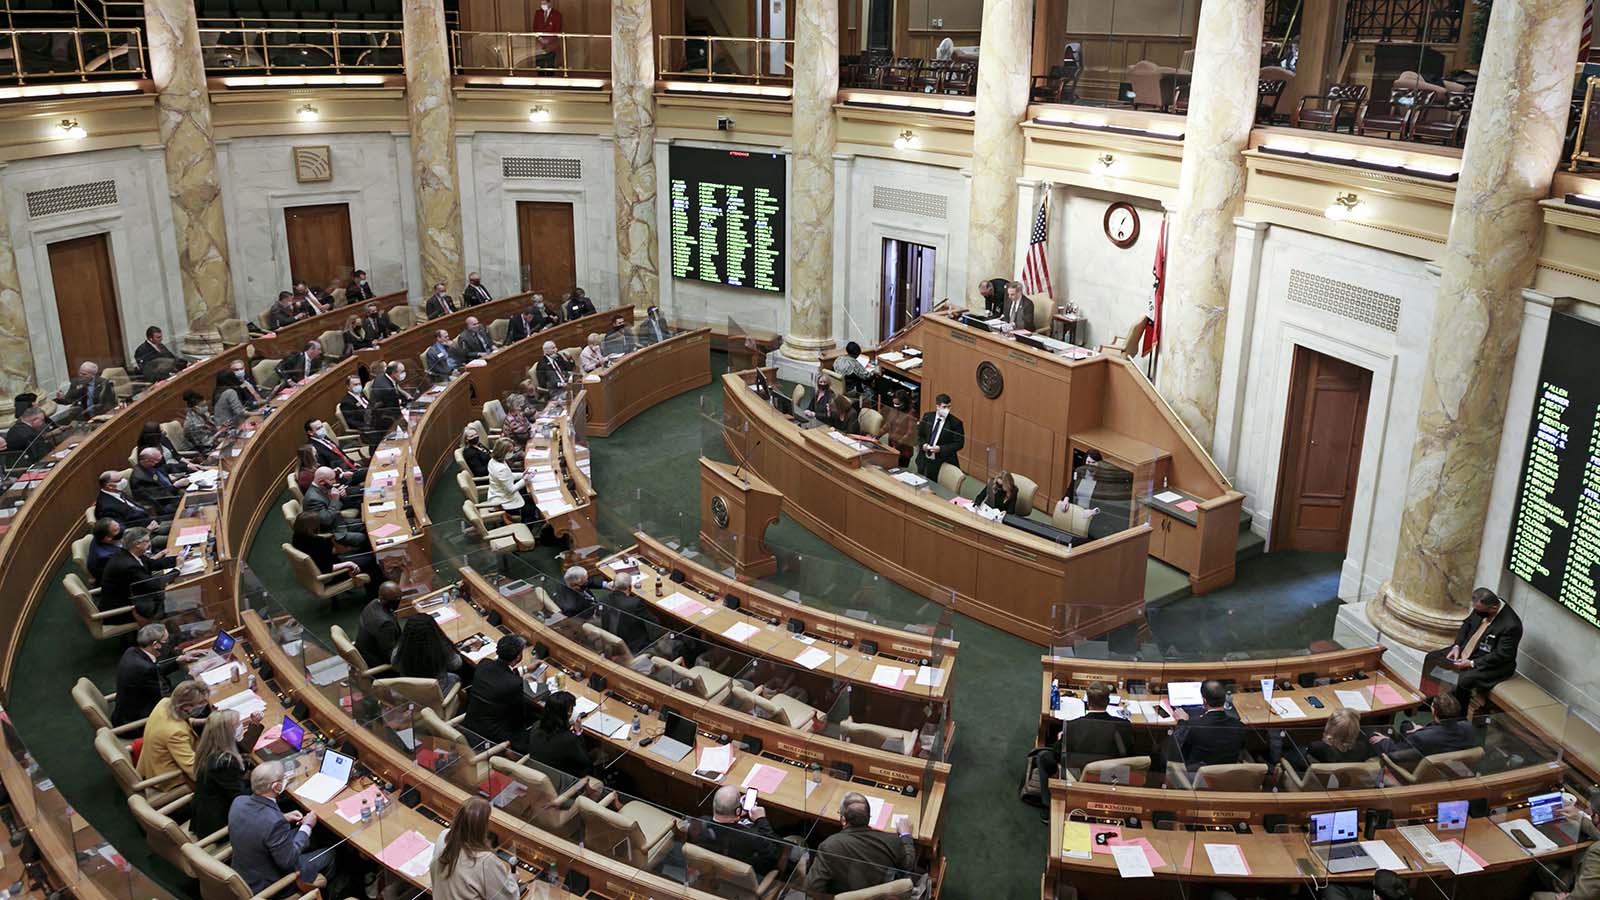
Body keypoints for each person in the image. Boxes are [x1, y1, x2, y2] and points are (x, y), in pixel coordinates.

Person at [228, 761, 333, 894]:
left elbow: (256, 820)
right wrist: (307, 826)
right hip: (270, 883)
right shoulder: (274, 823)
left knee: (314, 836)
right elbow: (289, 861)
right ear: (276, 787)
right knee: (331, 853)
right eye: (283, 778)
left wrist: (283, 817)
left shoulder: (239, 801)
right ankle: (322, 893)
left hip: (245, 870)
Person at [806, 792, 916, 894]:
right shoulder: (892, 841)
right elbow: (908, 864)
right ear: (869, 818)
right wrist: (906, 835)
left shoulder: (829, 846)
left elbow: (813, 887)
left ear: (843, 820)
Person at [1438, 588, 1523, 709]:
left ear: (1493, 608)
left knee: (1462, 680)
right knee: (1433, 659)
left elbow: (1502, 655)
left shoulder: (1511, 625)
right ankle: (1432, 700)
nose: (1476, 612)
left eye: (1478, 611)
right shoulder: (1481, 607)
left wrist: (1471, 663)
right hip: (1469, 651)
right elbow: (1467, 624)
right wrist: (1457, 646)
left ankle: (1457, 713)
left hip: (1493, 665)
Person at [1041, 682, 1137, 781]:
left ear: (1088, 702)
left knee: (1044, 756)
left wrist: (1060, 739)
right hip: (1112, 778)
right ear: (1108, 701)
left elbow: (1057, 754)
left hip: (1082, 777)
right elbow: (1130, 754)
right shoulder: (1124, 725)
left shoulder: (1072, 726)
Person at [429, 797, 520, 900]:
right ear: (482, 828)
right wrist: (512, 880)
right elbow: (508, 898)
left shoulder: (443, 836)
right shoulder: (485, 861)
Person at [460, 635, 539, 753]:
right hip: (491, 735)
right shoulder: (514, 683)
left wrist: (526, 669)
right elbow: (519, 715)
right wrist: (540, 682)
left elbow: (501, 674)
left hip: (471, 724)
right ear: (518, 657)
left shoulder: (484, 664)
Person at [113, 623, 201, 726]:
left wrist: (178, 661)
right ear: (155, 645)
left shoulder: (132, 652)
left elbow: (154, 670)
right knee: (200, 708)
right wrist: (192, 678)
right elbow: (165, 700)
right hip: (140, 721)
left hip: (129, 711)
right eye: (166, 640)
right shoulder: (145, 669)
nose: (169, 642)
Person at [688, 784, 785, 877]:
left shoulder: (700, 823)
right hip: (744, 879)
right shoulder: (749, 836)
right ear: (738, 810)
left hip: (712, 873)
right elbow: (777, 853)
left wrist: (736, 815)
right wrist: (761, 820)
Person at [191, 709, 256, 839]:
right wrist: (265, 784)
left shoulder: (209, 749)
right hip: (221, 826)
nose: (241, 726)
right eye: (237, 724)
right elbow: (241, 798)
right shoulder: (224, 763)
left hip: (207, 812)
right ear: (227, 733)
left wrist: (255, 725)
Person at [291, 511, 381, 599]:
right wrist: (348, 564)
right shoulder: (319, 542)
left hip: (316, 570)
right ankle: (373, 596)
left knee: (366, 555)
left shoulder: (296, 537)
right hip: (332, 575)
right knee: (373, 561)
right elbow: (327, 568)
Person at [136, 680, 209, 781]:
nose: (205, 704)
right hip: (170, 778)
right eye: (201, 703)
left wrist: (202, 721)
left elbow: (181, 719)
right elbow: (195, 772)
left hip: (152, 764)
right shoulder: (176, 734)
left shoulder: (165, 703)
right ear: (186, 707)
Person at [1368, 692, 1478, 757]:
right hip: (1441, 749)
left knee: (1372, 732)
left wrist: (1386, 740)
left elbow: (1396, 754)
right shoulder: (1468, 727)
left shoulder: (1421, 737)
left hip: (1416, 760)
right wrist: (1424, 730)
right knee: (1407, 725)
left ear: (1433, 710)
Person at [101, 526, 177, 619]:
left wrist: (178, 559)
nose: (150, 543)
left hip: (138, 595)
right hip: (128, 609)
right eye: (147, 541)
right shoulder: (129, 565)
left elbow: (152, 564)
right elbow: (154, 585)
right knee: (180, 600)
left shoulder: (130, 553)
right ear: (137, 544)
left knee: (176, 593)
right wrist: (177, 570)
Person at [1171, 680, 1248, 768]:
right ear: (1225, 699)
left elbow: (1175, 748)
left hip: (1197, 774)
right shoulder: (1240, 726)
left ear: (1204, 700)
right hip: (1227, 773)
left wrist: (1182, 722)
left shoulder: (1193, 727)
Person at [524, 689, 592, 778]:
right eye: (571, 709)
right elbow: (585, 763)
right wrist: (579, 734)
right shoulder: (569, 739)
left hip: (538, 770)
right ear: (568, 713)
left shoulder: (536, 725)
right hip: (561, 778)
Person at [390, 614, 462, 693]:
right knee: (456, 677)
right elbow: (456, 665)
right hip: (438, 691)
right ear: (434, 630)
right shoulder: (442, 648)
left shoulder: (400, 649)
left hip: (410, 691)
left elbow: (395, 666)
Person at [303, 468, 368, 548]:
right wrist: (335, 500)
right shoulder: (313, 499)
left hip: (338, 522)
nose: (335, 482)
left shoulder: (321, 487)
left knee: (366, 524)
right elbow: (327, 520)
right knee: (362, 537)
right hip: (332, 531)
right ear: (321, 482)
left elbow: (331, 506)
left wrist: (340, 496)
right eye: (332, 480)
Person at [95, 470, 167, 536]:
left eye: (122, 478)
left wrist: (153, 520)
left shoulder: (117, 492)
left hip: (151, 522)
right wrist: (147, 530)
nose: (123, 481)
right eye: (119, 480)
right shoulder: (106, 507)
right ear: (109, 486)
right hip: (142, 535)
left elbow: (135, 508)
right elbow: (120, 531)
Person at [915, 393, 964, 480]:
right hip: (924, 458)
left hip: (942, 460)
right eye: (944, 407)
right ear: (937, 406)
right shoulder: (928, 416)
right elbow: (920, 435)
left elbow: (959, 443)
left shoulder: (955, 423)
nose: (947, 410)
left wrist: (941, 448)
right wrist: (923, 445)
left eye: (949, 407)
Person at [485, 438, 534, 524]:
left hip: (498, 493)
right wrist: (525, 480)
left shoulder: (493, 461)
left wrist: (522, 474)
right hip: (504, 501)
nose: (512, 453)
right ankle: (525, 526)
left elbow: (508, 476)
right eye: (510, 451)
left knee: (528, 495)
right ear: (503, 452)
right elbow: (511, 490)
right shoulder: (501, 469)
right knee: (531, 508)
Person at [355, 581, 403, 668]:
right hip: (377, 663)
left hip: (368, 652)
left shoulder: (372, 604)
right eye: (395, 599)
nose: (398, 601)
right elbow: (390, 656)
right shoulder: (385, 624)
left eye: (399, 597)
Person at [304, 417, 366, 484]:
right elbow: (323, 469)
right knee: (368, 472)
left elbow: (340, 453)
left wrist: (352, 462)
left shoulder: (324, 438)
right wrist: (342, 474)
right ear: (310, 432)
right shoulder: (313, 448)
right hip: (343, 476)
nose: (322, 429)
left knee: (370, 465)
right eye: (318, 428)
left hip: (350, 466)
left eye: (322, 427)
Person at [132, 447, 188, 516]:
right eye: (157, 460)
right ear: (147, 460)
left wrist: (187, 466)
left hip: (172, 496)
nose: (158, 462)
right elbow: (160, 497)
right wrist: (175, 486)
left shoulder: (149, 466)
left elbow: (167, 468)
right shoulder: (141, 479)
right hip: (165, 506)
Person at [880, 390, 917, 467]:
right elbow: (887, 425)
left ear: (904, 403)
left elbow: (910, 433)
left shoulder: (911, 413)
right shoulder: (894, 410)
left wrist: (897, 445)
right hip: (892, 445)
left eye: (897, 404)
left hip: (903, 449)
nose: (895, 406)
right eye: (894, 403)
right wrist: (876, 435)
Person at [87, 517, 125, 583]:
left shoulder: (100, 535)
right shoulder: (106, 556)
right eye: (116, 530)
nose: (121, 530)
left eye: (118, 525)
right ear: (108, 538)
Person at [338, 374, 373, 444]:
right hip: (367, 430)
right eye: (355, 384)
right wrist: (369, 425)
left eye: (359, 384)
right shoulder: (346, 402)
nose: (358, 386)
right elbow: (351, 421)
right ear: (348, 387)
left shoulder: (361, 394)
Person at [182, 390, 219, 455]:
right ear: (195, 408)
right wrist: (219, 433)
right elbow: (205, 443)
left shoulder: (203, 414)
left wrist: (221, 428)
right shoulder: (192, 423)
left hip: (212, 443)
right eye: (203, 405)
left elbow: (212, 429)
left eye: (206, 404)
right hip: (201, 450)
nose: (206, 407)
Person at [531, 0, 563, 69]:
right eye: (541, 3)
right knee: (540, 66)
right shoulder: (538, 13)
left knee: (550, 66)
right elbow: (535, 27)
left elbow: (557, 29)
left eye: (544, 3)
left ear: (549, 3)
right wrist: (540, 38)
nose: (543, 5)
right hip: (540, 44)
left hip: (551, 45)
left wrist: (548, 40)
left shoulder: (557, 14)